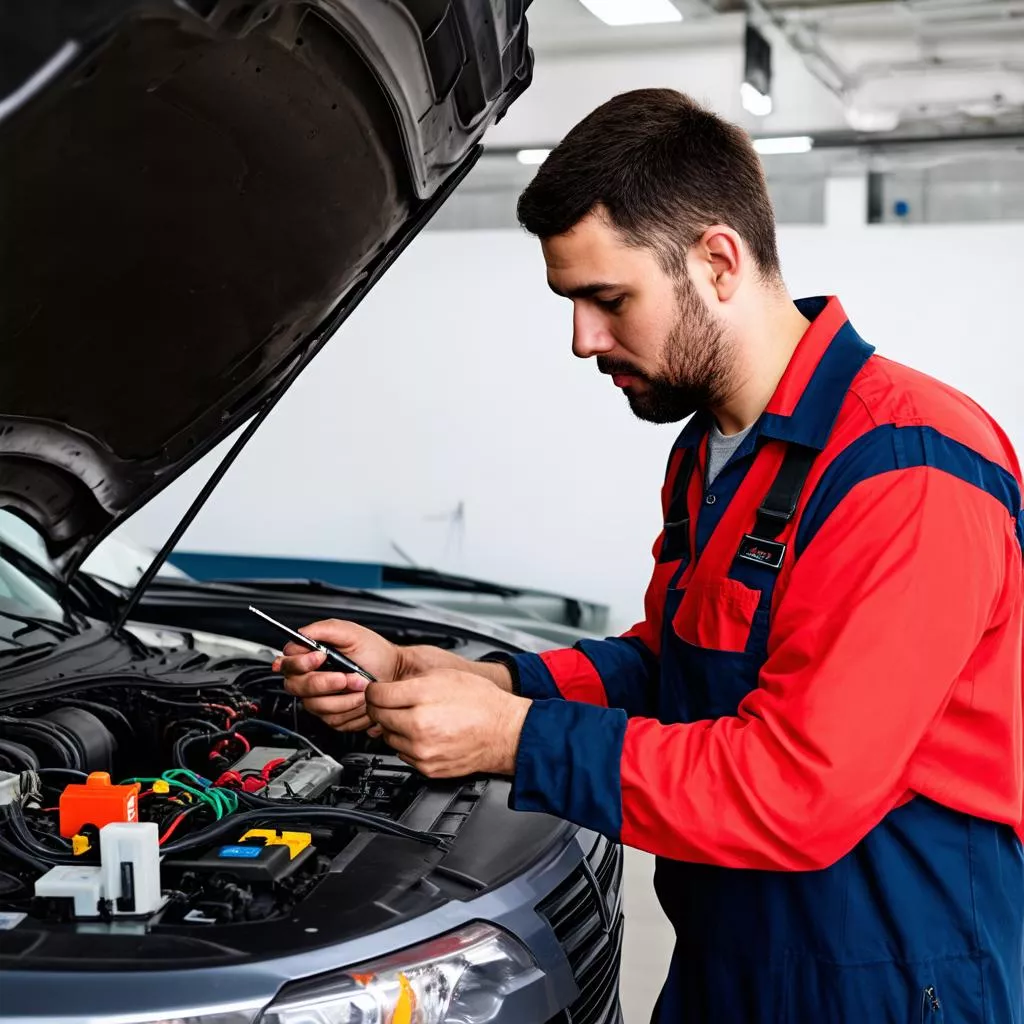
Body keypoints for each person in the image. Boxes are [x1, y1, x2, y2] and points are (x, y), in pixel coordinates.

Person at [275, 89, 1024, 1023]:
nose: (583, 339)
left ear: (717, 261)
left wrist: (512, 737)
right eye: (572, 301)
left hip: (891, 978)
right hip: (728, 955)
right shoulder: (708, 448)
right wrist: (476, 682)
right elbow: (671, 664)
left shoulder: (908, 469)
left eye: (607, 298)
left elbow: (799, 790)